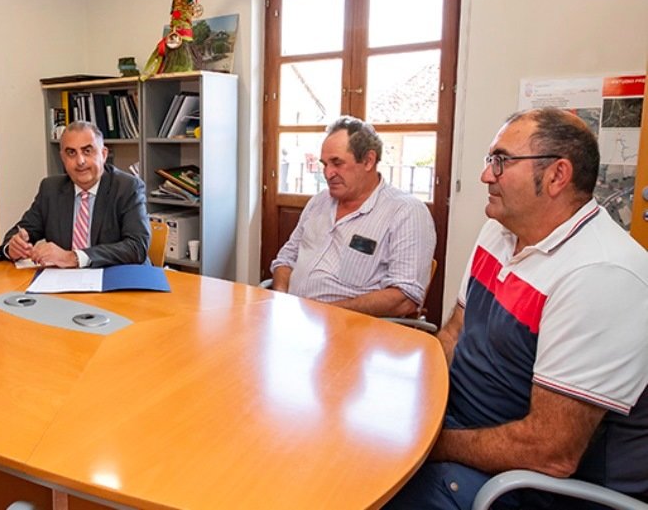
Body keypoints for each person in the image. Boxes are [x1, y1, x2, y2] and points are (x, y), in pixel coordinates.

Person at [385, 108, 648, 509]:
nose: (486, 175)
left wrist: (431, 444)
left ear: (557, 176)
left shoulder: (602, 274)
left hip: (519, 484)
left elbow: (550, 453)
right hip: (457, 426)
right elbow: (455, 331)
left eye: (501, 161)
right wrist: (409, 400)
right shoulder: (501, 229)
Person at [269, 116, 436, 318]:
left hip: (353, 331)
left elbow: (404, 299)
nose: (328, 173)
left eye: (337, 163)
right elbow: (285, 259)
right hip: (293, 319)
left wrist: (325, 313)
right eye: (325, 164)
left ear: (368, 161)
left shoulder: (405, 212)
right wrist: (281, 298)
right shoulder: (319, 202)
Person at [1, 121, 150, 268]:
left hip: (116, 280)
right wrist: (13, 247)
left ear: (104, 154)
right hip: (64, 282)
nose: (80, 161)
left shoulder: (127, 187)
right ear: (63, 158)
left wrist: (74, 257)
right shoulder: (50, 189)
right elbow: (20, 232)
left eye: (87, 151)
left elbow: (137, 247)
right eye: (71, 153)